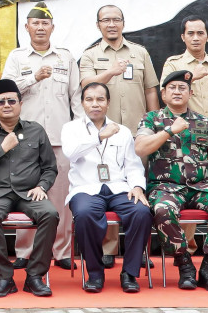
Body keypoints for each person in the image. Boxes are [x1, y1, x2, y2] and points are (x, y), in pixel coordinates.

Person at [135, 70, 208, 292]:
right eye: (172, 88)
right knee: (162, 210)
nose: (177, 92)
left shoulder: (205, 122)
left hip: (201, 187)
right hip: (165, 187)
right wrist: (169, 131)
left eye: (182, 88)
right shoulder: (152, 119)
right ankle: (185, 265)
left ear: (190, 93)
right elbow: (140, 148)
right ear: (163, 94)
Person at [78, 5, 160, 269]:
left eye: (116, 19)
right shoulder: (90, 55)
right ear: (98, 25)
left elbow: (150, 90)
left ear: (123, 23)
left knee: (140, 187)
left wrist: (155, 121)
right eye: (106, 20)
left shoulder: (140, 52)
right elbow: (86, 86)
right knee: (107, 185)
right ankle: (109, 248)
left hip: (138, 133)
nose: (111, 24)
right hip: (104, 135)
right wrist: (111, 71)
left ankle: (142, 249)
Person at [1, 1, 80, 271]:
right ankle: (25, 250)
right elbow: (7, 94)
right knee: (26, 195)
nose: (40, 27)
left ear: (52, 27)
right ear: (27, 27)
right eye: (35, 23)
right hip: (25, 140)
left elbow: (76, 97)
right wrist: (32, 78)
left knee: (60, 197)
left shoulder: (65, 58)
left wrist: (81, 131)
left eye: (45, 23)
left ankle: (62, 250)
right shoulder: (17, 57)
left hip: (59, 137)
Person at [0, 78, 58, 298]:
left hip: (29, 192)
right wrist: (1, 149)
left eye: (11, 101)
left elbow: (50, 167)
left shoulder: (36, 131)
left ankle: (35, 276)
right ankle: (4, 278)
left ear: (20, 103)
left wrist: (42, 185)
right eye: (1, 102)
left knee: (50, 214)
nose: (7, 105)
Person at [62, 82, 151, 294]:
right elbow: (71, 153)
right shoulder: (71, 128)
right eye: (89, 99)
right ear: (82, 103)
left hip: (119, 188)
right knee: (84, 214)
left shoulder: (122, 131)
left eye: (100, 99)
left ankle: (129, 273)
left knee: (141, 212)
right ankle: (95, 273)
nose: (95, 104)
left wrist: (138, 186)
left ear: (108, 103)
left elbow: (133, 164)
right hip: (85, 188)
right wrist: (99, 136)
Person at [160, 16, 208, 129]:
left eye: (200, 33)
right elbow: (165, 97)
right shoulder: (173, 64)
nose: (195, 38)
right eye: (190, 33)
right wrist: (192, 77)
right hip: (187, 134)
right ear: (183, 37)